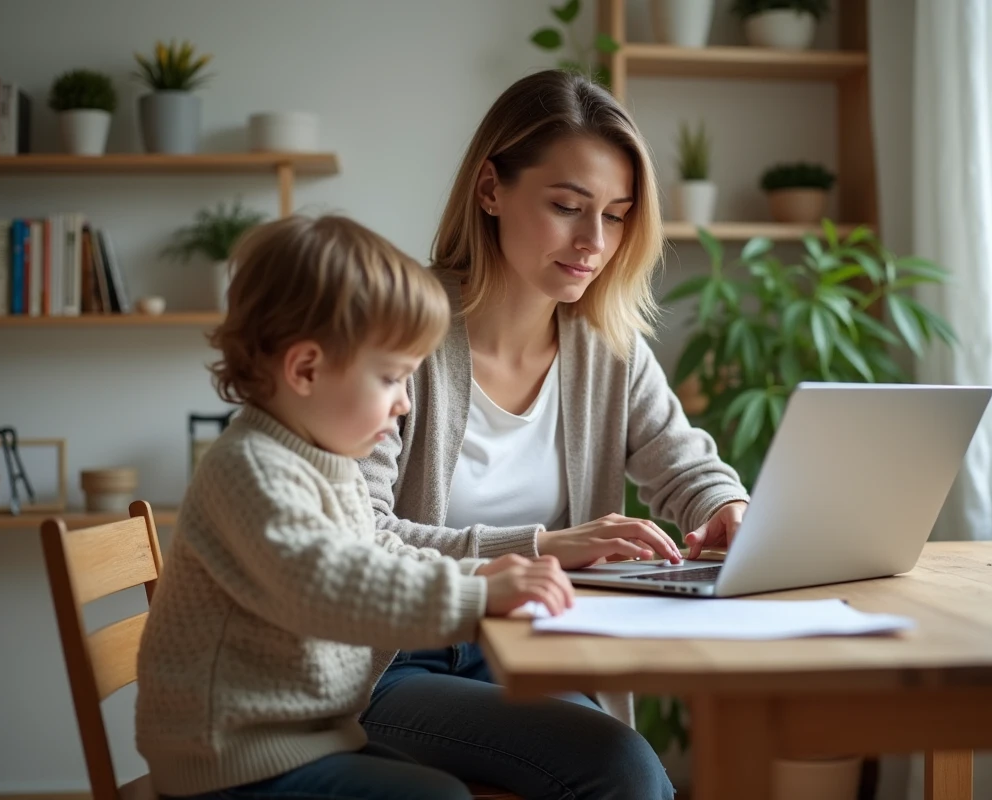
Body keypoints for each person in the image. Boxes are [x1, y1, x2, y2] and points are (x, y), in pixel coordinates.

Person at [357, 69, 751, 799]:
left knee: (626, 767)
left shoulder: (606, 347)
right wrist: (541, 547)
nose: (593, 242)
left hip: (525, 649)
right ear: (490, 189)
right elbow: (360, 538)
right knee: (622, 771)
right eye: (568, 206)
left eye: (617, 215)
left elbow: (683, 465)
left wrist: (727, 508)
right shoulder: (393, 329)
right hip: (387, 662)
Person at [134, 215, 576, 800]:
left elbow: (377, 549)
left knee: (444, 787)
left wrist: (481, 575)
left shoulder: (325, 460)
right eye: (392, 378)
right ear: (306, 369)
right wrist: (476, 598)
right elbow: (332, 584)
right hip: (232, 759)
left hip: (306, 739)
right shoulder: (250, 469)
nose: (403, 403)